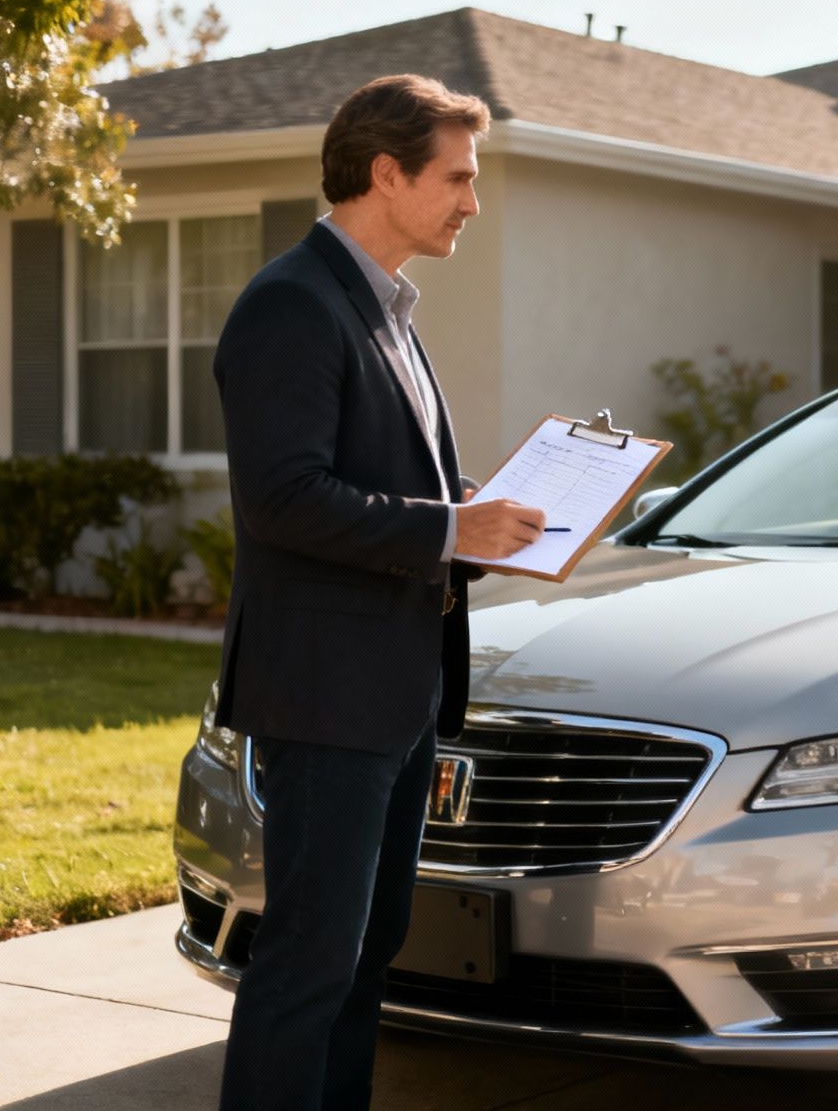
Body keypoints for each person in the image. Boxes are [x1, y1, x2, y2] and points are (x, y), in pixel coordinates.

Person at [211, 74, 544, 1111]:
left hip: (396, 698)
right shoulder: (291, 305)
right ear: (384, 171)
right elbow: (285, 500)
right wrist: (449, 526)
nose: (470, 204)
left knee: (362, 958)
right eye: (455, 178)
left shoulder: (386, 310)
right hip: (325, 702)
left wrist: (477, 524)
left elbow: (377, 494)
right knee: (308, 965)